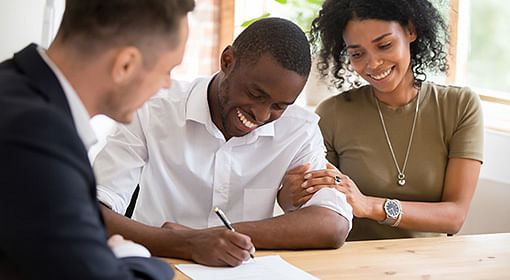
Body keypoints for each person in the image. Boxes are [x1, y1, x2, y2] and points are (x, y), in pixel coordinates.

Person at [93, 18, 352, 267]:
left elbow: (333, 224)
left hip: (246, 271)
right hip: (157, 267)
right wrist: (185, 244)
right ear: (227, 61)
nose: (262, 116)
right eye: (255, 94)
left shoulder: (299, 130)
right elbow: (93, 210)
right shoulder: (152, 109)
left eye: (279, 106)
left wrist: (210, 237)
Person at [0, 0, 193, 279]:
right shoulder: (37, 134)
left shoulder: (13, 85)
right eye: (167, 71)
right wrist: (134, 256)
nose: (167, 85)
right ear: (125, 65)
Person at [282, 0, 484, 240]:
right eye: (357, 53)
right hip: (352, 266)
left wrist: (370, 206)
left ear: (411, 30)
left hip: (431, 268)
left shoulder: (460, 106)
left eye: (385, 45)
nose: (373, 64)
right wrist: (290, 195)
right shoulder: (333, 114)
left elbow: (455, 216)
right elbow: (313, 205)